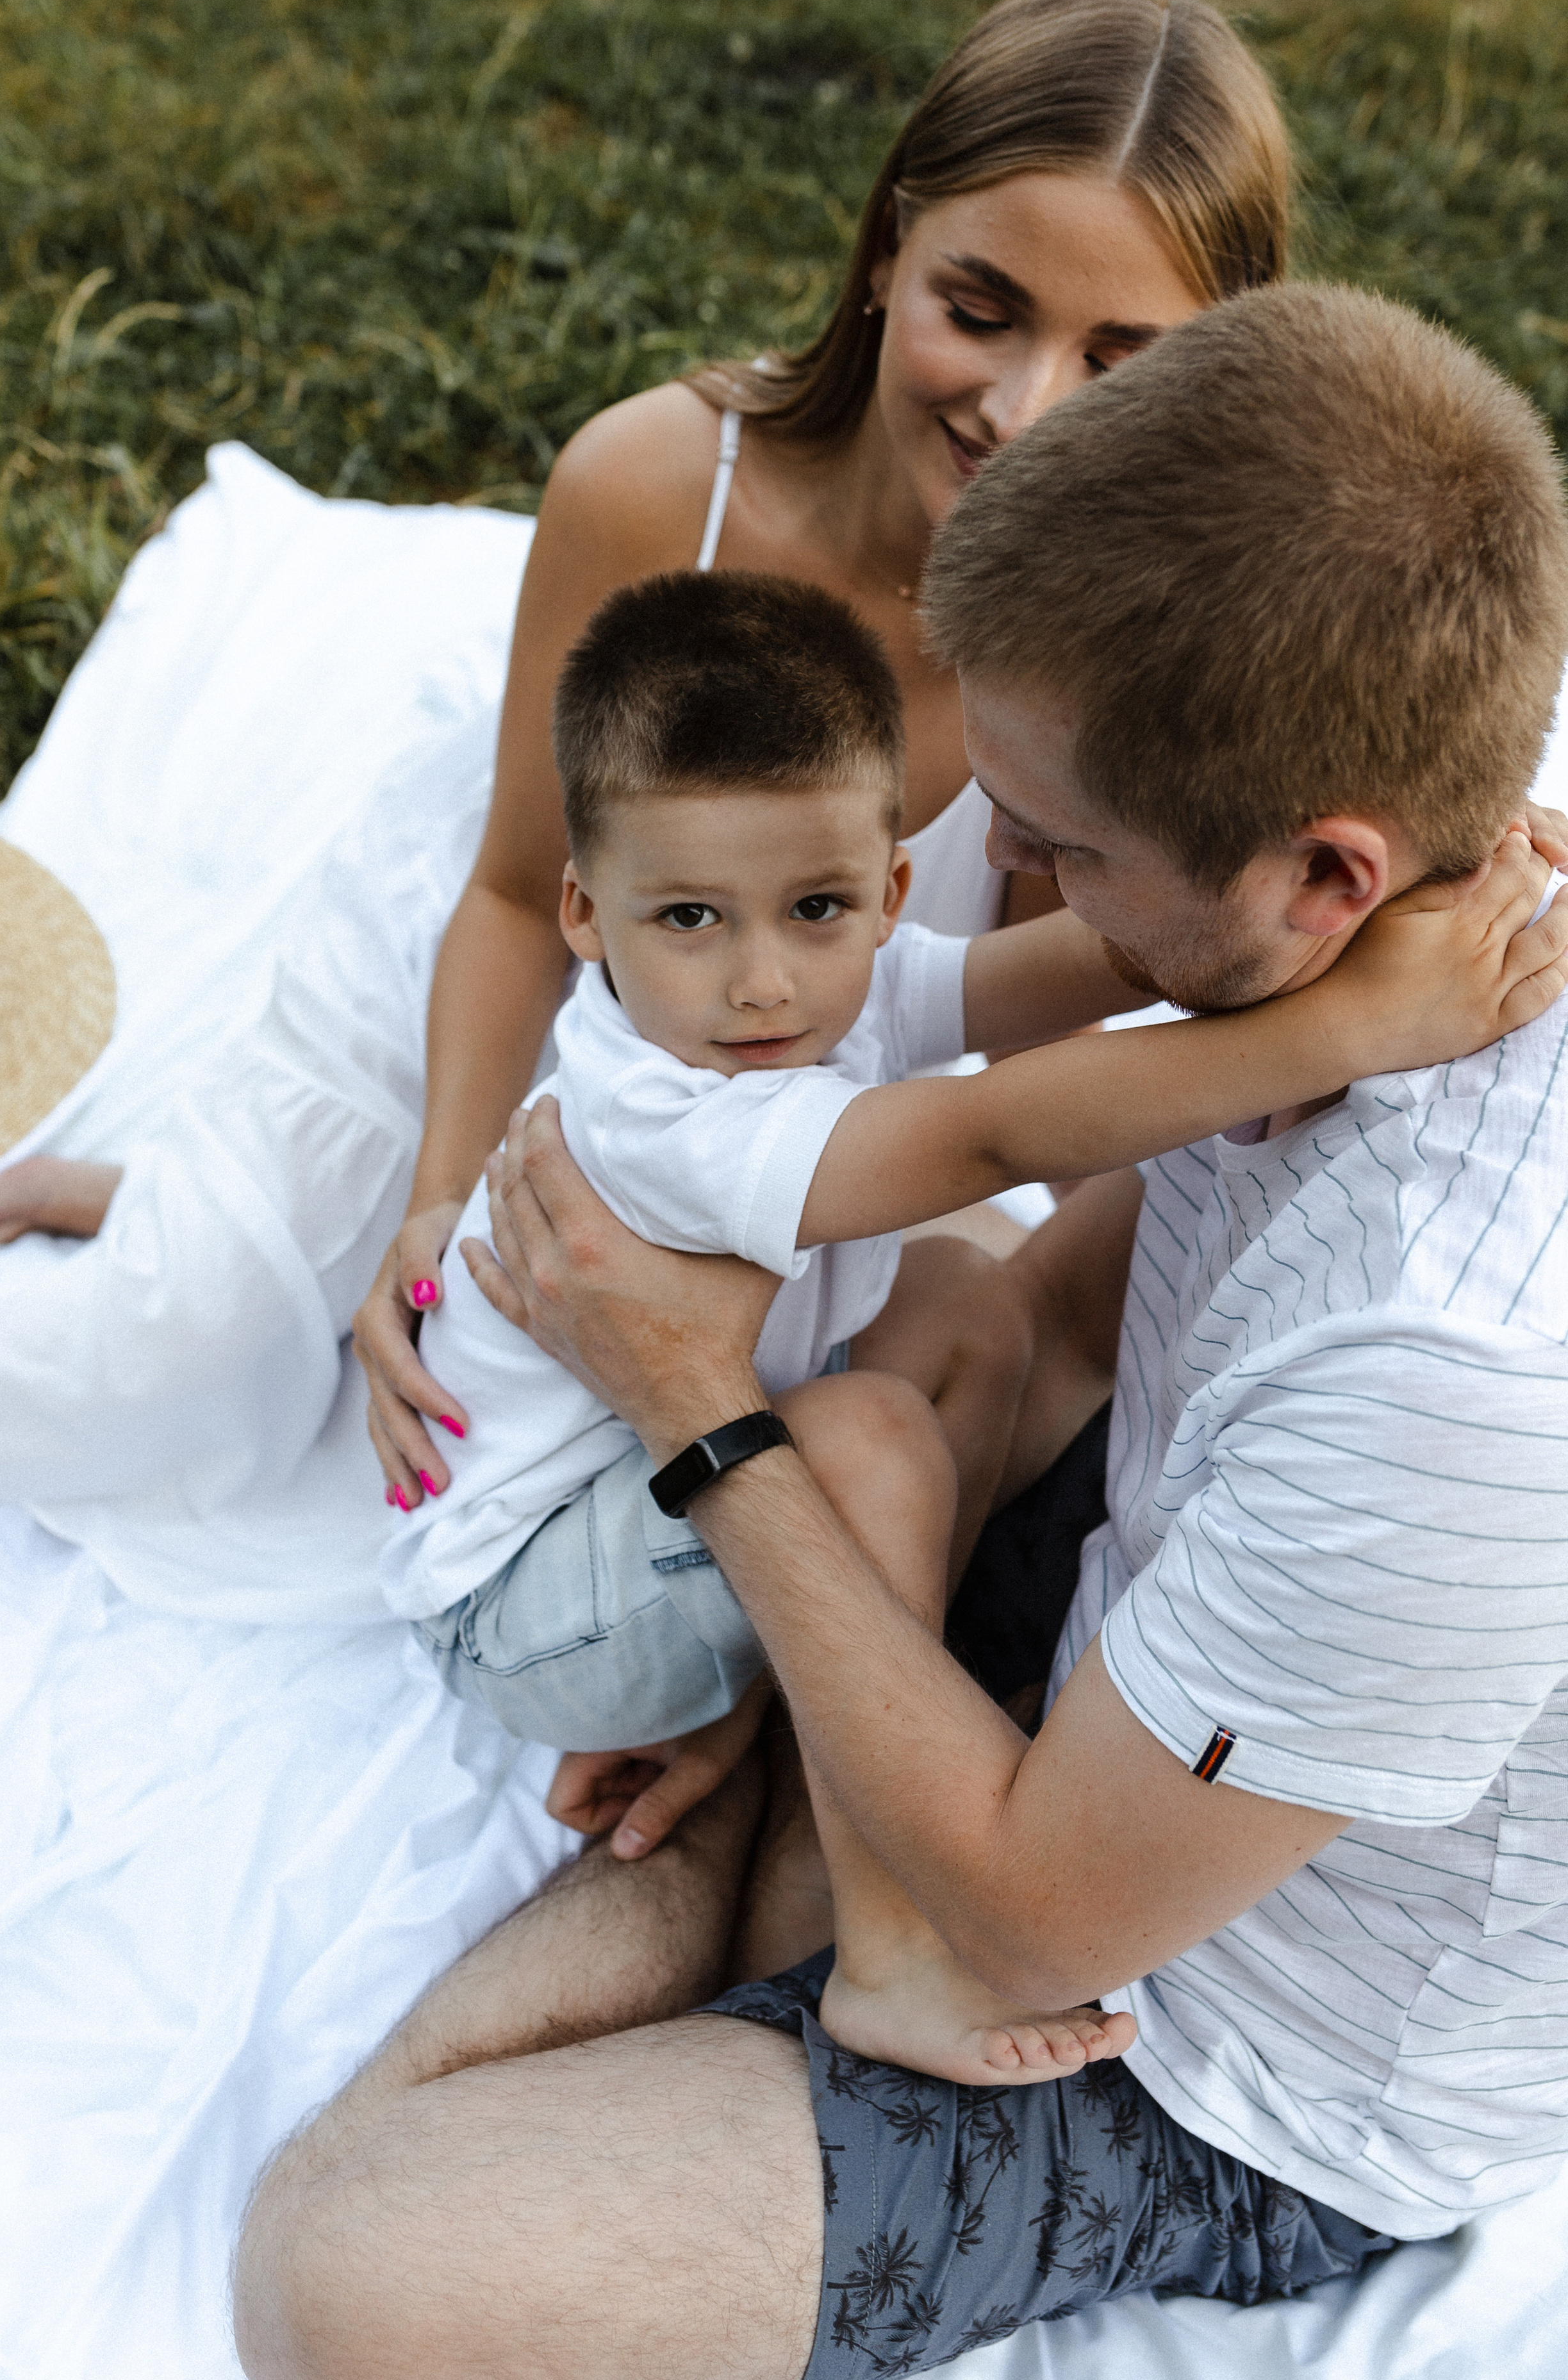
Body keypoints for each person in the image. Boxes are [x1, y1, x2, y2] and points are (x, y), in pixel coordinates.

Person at [233, 282, 1568, 2380]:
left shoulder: (1459, 1369)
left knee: (347, 2269)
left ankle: (820, 1895)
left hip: (1212, 2025)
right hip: (1171, 1613)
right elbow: (1051, 1283)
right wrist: (799, 1565)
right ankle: (803, 1827)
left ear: (1331, 881)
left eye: (1057, 850)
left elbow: (1045, 1920)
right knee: (906, 1343)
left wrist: (695, 1420)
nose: (996, 885)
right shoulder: (1437, 772)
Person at [392, 556, 1558, 2087]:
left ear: (886, 889)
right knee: (868, 1425)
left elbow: (1077, 969)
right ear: (584, 913)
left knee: (955, 1302)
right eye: (686, 918)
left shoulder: (817, 985)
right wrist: (1356, 1021)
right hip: (533, 1598)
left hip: (624, 1509)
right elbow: (994, 1135)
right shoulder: (662, 1102)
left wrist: (1386, 883)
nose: (756, 981)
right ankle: (884, 1953)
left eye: (815, 907)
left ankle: (826, 1702)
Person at [352, 0, 1294, 1509]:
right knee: (236, 1328)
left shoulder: (1152, 639)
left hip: (824, 1124)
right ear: (882, 253)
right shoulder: (656, 488)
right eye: (976, 312)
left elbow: (1038, 1019)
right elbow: (523, 899)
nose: (1022, 409)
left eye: (1117, 362)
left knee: (937, 1384)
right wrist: (439, 1205)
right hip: (547, 1032)